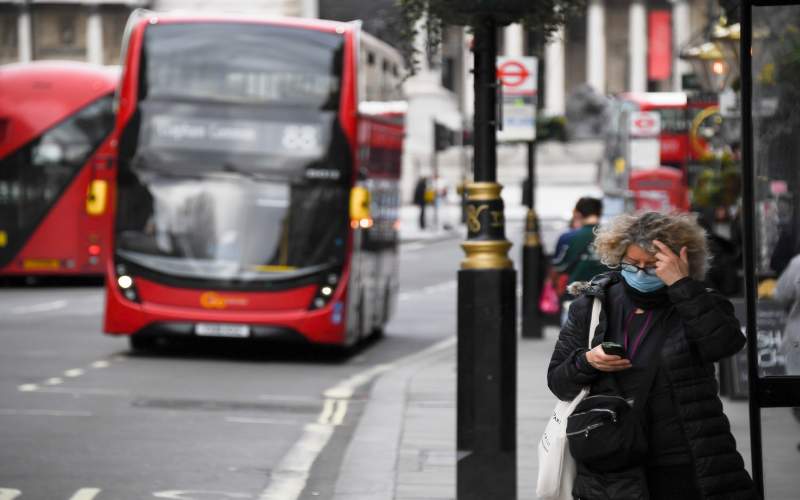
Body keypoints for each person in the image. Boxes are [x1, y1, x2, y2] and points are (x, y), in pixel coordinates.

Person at [547, 211, 757, 500]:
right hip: (611, 460)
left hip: (683, 458)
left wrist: (681, 286)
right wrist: (587, 361)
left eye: (653, 265)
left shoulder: (697, 299)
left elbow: (725, 345)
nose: (642, 272)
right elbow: (559, 382)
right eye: (633, 264)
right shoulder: (594, 304)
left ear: (678, 259)